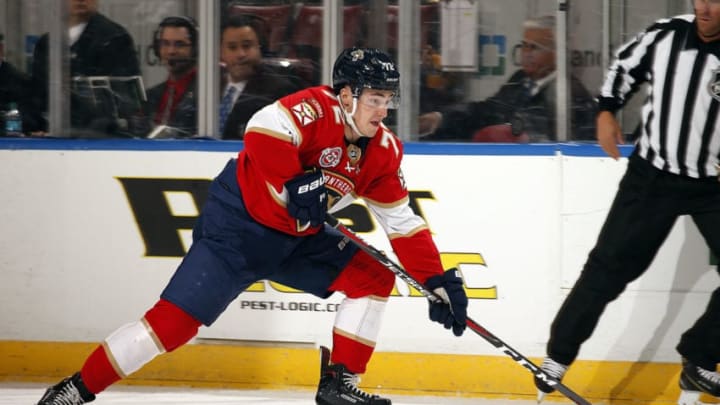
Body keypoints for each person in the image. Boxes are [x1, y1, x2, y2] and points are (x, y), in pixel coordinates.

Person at [36, 47, 469, 405]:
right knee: (172, 326)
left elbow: (403, 222)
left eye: (388, 99)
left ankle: (339, 383)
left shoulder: (384, 151)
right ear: (345, 95)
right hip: (237, 230)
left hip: (298, 241)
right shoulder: (313, 108)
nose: (383, 109)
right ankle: (74, 389)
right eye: (375, 97)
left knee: (373, 278)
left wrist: (433, 279)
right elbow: (261, 127)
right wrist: (291, 182)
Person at [534, 2, 720, 404]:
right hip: (652, 176)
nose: (704, 8)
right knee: (607, 269)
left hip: (713, 184)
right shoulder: (668, 34)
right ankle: (557, 357)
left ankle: (700, 356)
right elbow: (624, 66)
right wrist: (607, 109)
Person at [418, 15, 597, 142]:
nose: (526, 53)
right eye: (524, 46)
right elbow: (488, 110)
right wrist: (440, 118)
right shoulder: (520, 80)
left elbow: (549, 135)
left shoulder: (569, 91)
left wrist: (511, 131)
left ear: (556, 53)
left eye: (534, 47)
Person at [30, 0, 141, 136]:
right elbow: (37, 95)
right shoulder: (47, 43)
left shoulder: (115, 38)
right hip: (52, 139)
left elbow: (122, 103)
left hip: (99, 141)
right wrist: (37, 127)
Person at [218, 14, 301, 140]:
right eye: (232, 47)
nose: (241, 54)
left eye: (247, 46)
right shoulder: (208, 85)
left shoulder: (280, 91)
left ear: (259, 48)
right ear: (221, 52)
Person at [140, 16, 199, 138]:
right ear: (157, 49)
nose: (171, 51)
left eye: (180, 44)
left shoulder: (206, 95)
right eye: (165, 44)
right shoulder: (151, 95)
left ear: (195, 50)